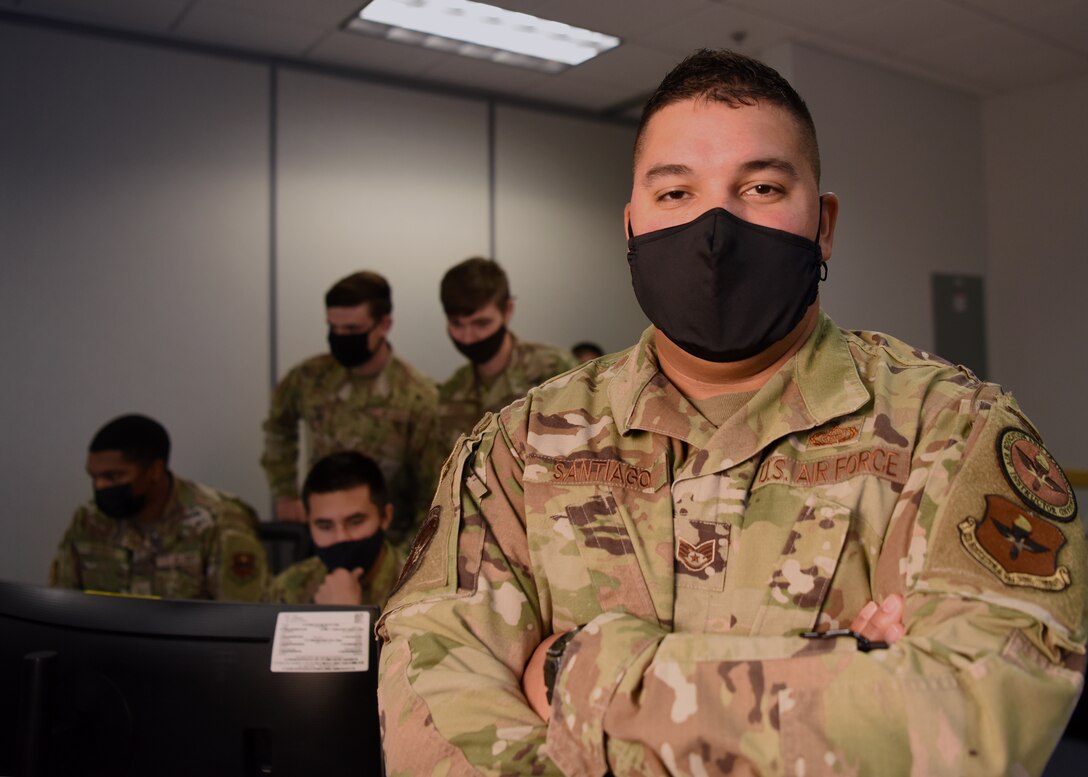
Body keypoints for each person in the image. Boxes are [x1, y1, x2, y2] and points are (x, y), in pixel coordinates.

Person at [377, 49, 1087, 776]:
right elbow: (431, 726)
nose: (716, 226)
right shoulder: (518, 452)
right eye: (676, 194)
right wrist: (837, 678)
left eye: (761, 186)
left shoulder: (955, 432)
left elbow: (972, 718)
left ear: (824, 224)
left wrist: (577, 670)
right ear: (630, 228)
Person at [260, 271, 438, 551]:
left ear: (384, 325)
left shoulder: (418, 396)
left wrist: (410, 559)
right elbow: (278, 427)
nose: (341, 337)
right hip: (322, 537)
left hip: (390, 544)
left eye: (352, 330)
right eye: (333, 328)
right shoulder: (310, 377)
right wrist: (284, 492)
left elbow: (432, 488)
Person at [50, 414, 267, 601]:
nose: (100, 487)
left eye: (113, 477)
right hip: (104, 646)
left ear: (155, 470)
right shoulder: (89, 520)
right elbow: (62, 604)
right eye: (94, 477)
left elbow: (241, 619)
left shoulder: (218, 521)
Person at [434, 257, 577, 455]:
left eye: (481, 323)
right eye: (457, 324)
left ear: (507, 310)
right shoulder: (451, 392)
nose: (468, 338)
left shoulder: (555, 370)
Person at [265, 451, 401, 607]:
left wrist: (345, 615)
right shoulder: (288, 589)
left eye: (355, 522)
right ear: (309, 524)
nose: (341, 537)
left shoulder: (420, 587)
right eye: (325, 526)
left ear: (386, 517)